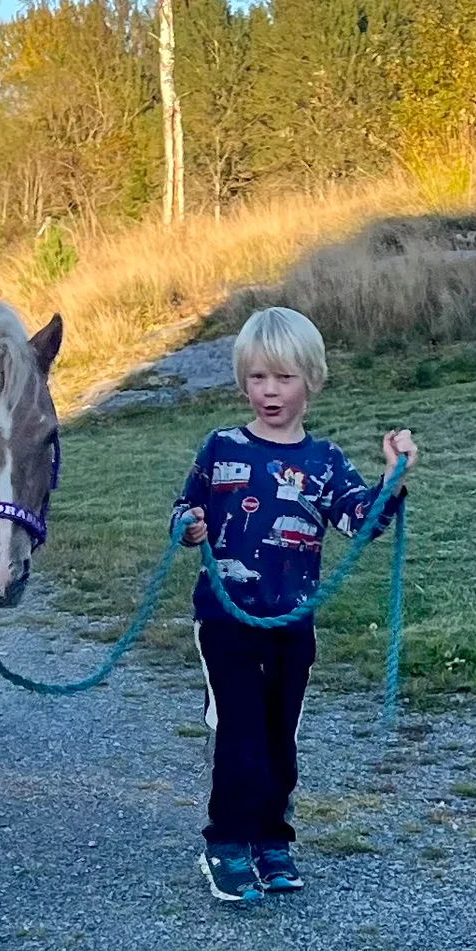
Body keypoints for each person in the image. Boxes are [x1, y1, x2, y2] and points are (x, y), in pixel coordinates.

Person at [170, 306, 418, 906]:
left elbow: (361, 521)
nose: (270, 391)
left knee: (281, 735)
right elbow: (183, 509)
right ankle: (226, 843)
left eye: (283, 378)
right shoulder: (222, 447)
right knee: (240, 733)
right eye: (257, 378)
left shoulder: (324, 462)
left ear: (312, 380)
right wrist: (190, 527)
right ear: (242, 382)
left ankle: (271, 840)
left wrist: (394, 477)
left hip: (291, 623)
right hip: (226, 618)